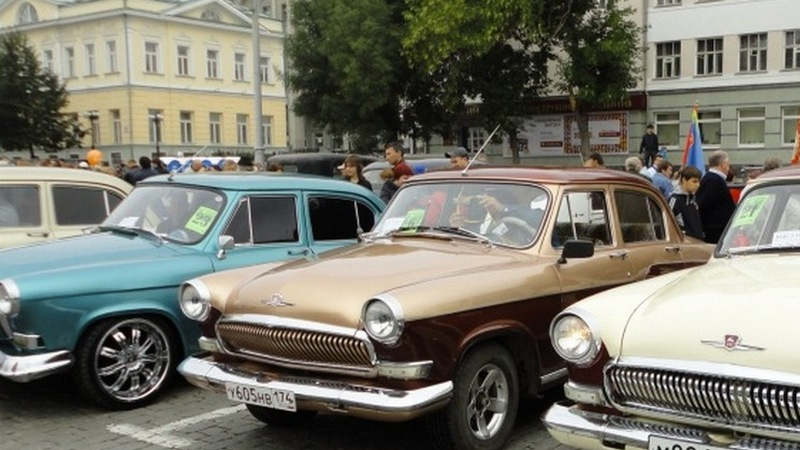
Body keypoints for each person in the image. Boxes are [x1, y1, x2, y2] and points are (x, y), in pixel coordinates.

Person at [696, 150, 736, 244]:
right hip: (715, 232)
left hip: (715, 229)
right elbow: (704, 204)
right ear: (722, 165)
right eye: (728, 165)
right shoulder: (714, 181)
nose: (728, 168)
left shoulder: (710, 178)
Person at [669, 166, 703, 240]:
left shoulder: (693, 198)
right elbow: (669, 224)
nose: (698, 185)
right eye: (694, 181)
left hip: (697, 241)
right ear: (684, 180)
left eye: (698, 181)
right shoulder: (674, 200)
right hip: (684, 243)